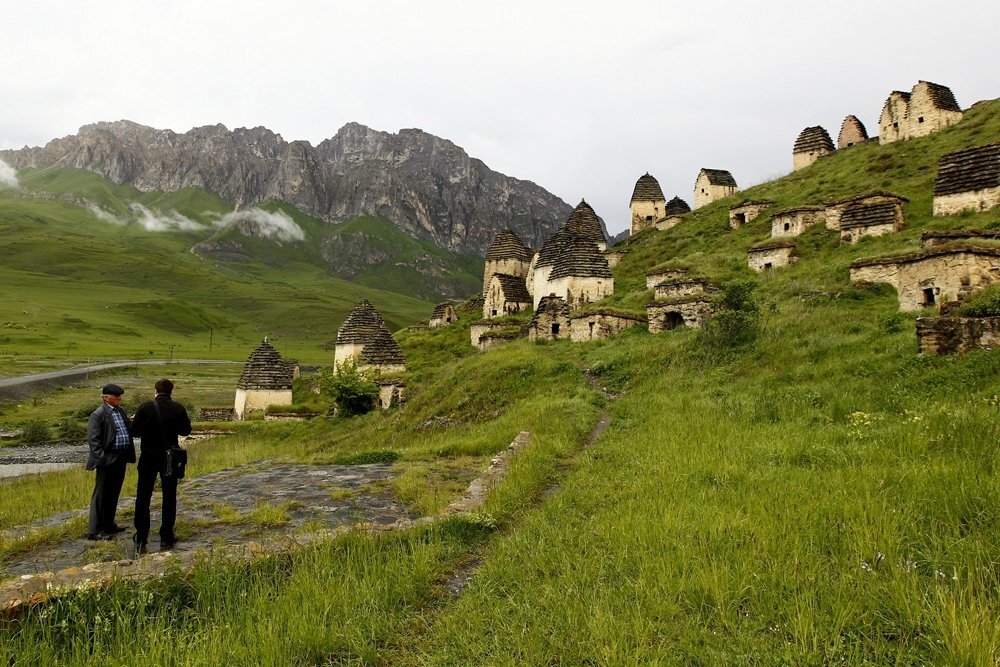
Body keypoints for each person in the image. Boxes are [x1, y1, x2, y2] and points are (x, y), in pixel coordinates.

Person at [129, 378, 192, 554]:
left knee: (143, 496)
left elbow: (134, 431)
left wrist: (137, 421)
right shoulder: (178, 408)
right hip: (169, 456)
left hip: (148, 455)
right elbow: (186, 431)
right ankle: (166, 535)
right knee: (169, 496)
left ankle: (141, 535)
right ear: (171, 391)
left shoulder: (145, 407)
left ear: (155, 390)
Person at [85, 383, 135, 540]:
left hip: (120, 458)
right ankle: (95, 530)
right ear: (105, 398)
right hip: (107, 459)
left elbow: (125, 429)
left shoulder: (120, 411)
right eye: (116, 397)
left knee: (114, 492)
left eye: (120, 396)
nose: (120, 399)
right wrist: (103, 460)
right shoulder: (98, 414)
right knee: (101, 494)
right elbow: (94, 441)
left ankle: (108, 524)